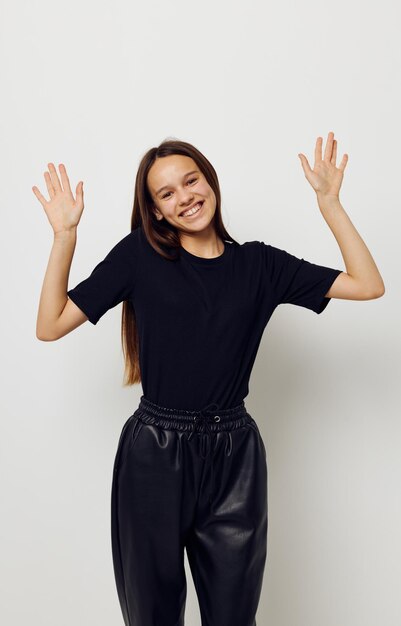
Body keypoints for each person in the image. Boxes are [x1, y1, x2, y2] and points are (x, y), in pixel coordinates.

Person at [33, 132, 385, 626]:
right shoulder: (139, 256)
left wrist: (330, 204)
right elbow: (49, 326)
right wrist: (65, 236)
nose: (185, 197)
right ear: (155, 210)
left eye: (191, 181)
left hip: (234, 457)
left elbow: (368, 285)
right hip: (153, 454)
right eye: (167, 194)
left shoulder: (261, 264)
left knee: (233, 616)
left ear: (210, 182)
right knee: (152, 615)